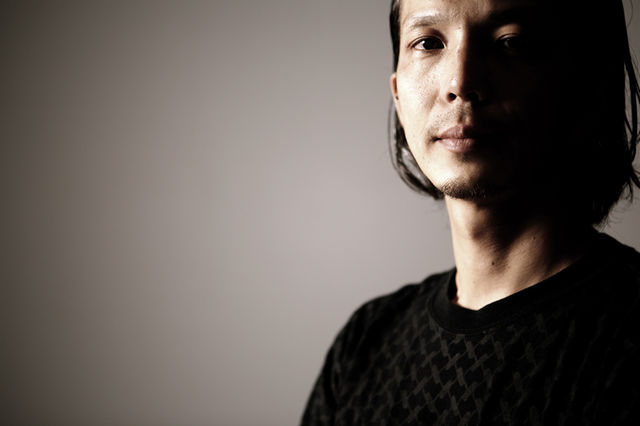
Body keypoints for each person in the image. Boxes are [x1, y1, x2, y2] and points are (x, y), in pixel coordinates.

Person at [302, 0, 640, 424]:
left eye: (510, 42)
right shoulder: (364, 346)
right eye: (428, 43)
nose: (460, 82)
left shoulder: (628, 334)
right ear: (398, 95)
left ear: (582, 84)